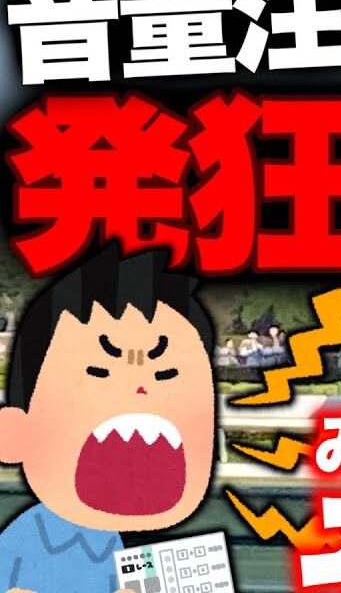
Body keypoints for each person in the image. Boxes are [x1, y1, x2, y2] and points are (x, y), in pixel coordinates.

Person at [0, 245, 216, 592]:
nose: (140, 388)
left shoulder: (111, 540)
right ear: (16, 433)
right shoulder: (25, 535)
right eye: (99, 371)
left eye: (166, 374)